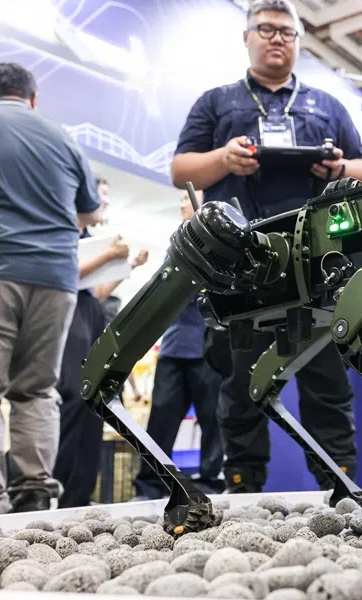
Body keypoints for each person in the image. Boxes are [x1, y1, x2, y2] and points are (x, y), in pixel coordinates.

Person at [171, 0, 362, 493]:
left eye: (287, 31)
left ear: (299, 42)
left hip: (317, 263)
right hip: (239, 264)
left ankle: (341, 488)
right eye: (265, 28)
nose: (277, 38)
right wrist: (224, 158)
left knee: (327, 379)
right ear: (247, 38)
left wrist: (338, 170)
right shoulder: (217, 102)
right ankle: (242, 488)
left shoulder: (326, 105)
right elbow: (181, 170)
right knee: (239, 382)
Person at [0, 62, 102, 516]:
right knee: (37, 391)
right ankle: (36, 496)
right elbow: (90, 213)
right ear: (32, 99)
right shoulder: (62, 135)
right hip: (57, 280)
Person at [53, 176, 148, 508]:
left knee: (95, 400)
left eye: (107, 197)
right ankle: (55, 491)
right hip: (66, 317)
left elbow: (95, 292)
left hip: (89, 315)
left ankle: (80, 495)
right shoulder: (62, 233)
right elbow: (67, 276)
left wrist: (127, 266)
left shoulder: (92, 240)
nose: (104, 202)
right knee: (74, 397)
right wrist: (109, 254)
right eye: (100, 196)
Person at [132, 190, 224, 500]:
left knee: (213, 419)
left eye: (188, 199)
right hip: (173, 349)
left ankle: (211, 481)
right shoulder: (177, 245)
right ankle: (149, 484)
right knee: (161, 418)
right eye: (183, 201)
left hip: (207, 348)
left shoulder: (223, 247)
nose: (183, 203)